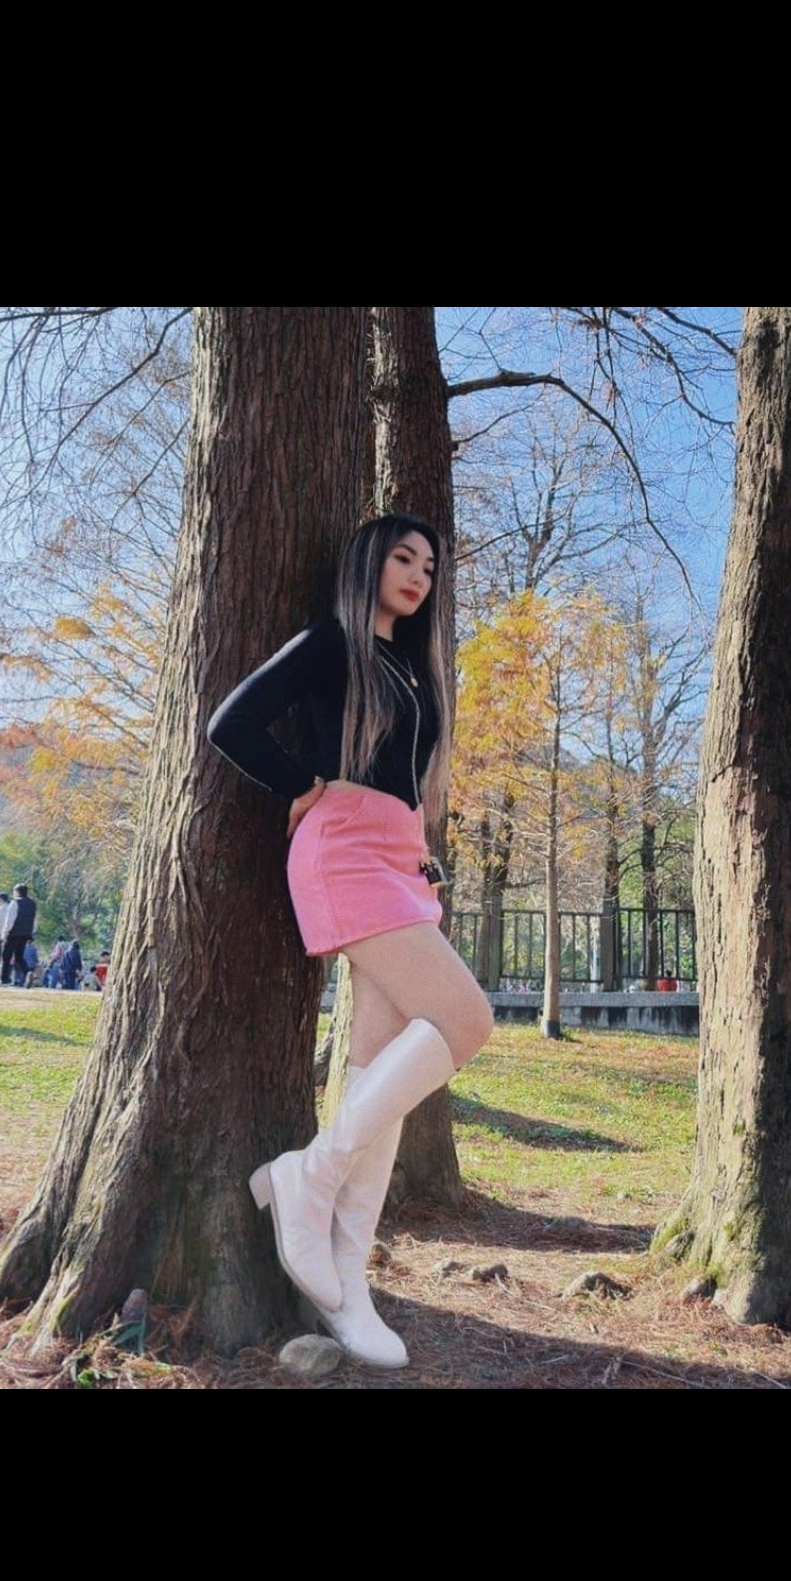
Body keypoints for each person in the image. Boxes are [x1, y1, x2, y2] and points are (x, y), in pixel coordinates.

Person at [208, 513, 495, 1371]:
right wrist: (301, 783)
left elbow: (405, 780)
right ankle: (311, 1173)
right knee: (467, 1021)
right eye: (403, 557)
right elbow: (232, 723)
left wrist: (423, 853)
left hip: (399, 860)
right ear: (370, 561)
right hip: (342, 852)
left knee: (378, 1074)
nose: (419, 575)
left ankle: (346, 1279)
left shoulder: (413, 667)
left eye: (430, 566)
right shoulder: (331, 643)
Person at [0, 883, 38, 985]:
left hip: (13, 933)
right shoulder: (32, 904)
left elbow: (10, 919)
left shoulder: (15, 903)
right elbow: (34, 920)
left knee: (6, 957)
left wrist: (5, 932)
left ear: (16, 892)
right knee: (19, 957)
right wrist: (32, 931)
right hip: (25, 934)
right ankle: (28, 972)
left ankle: (3, 979)